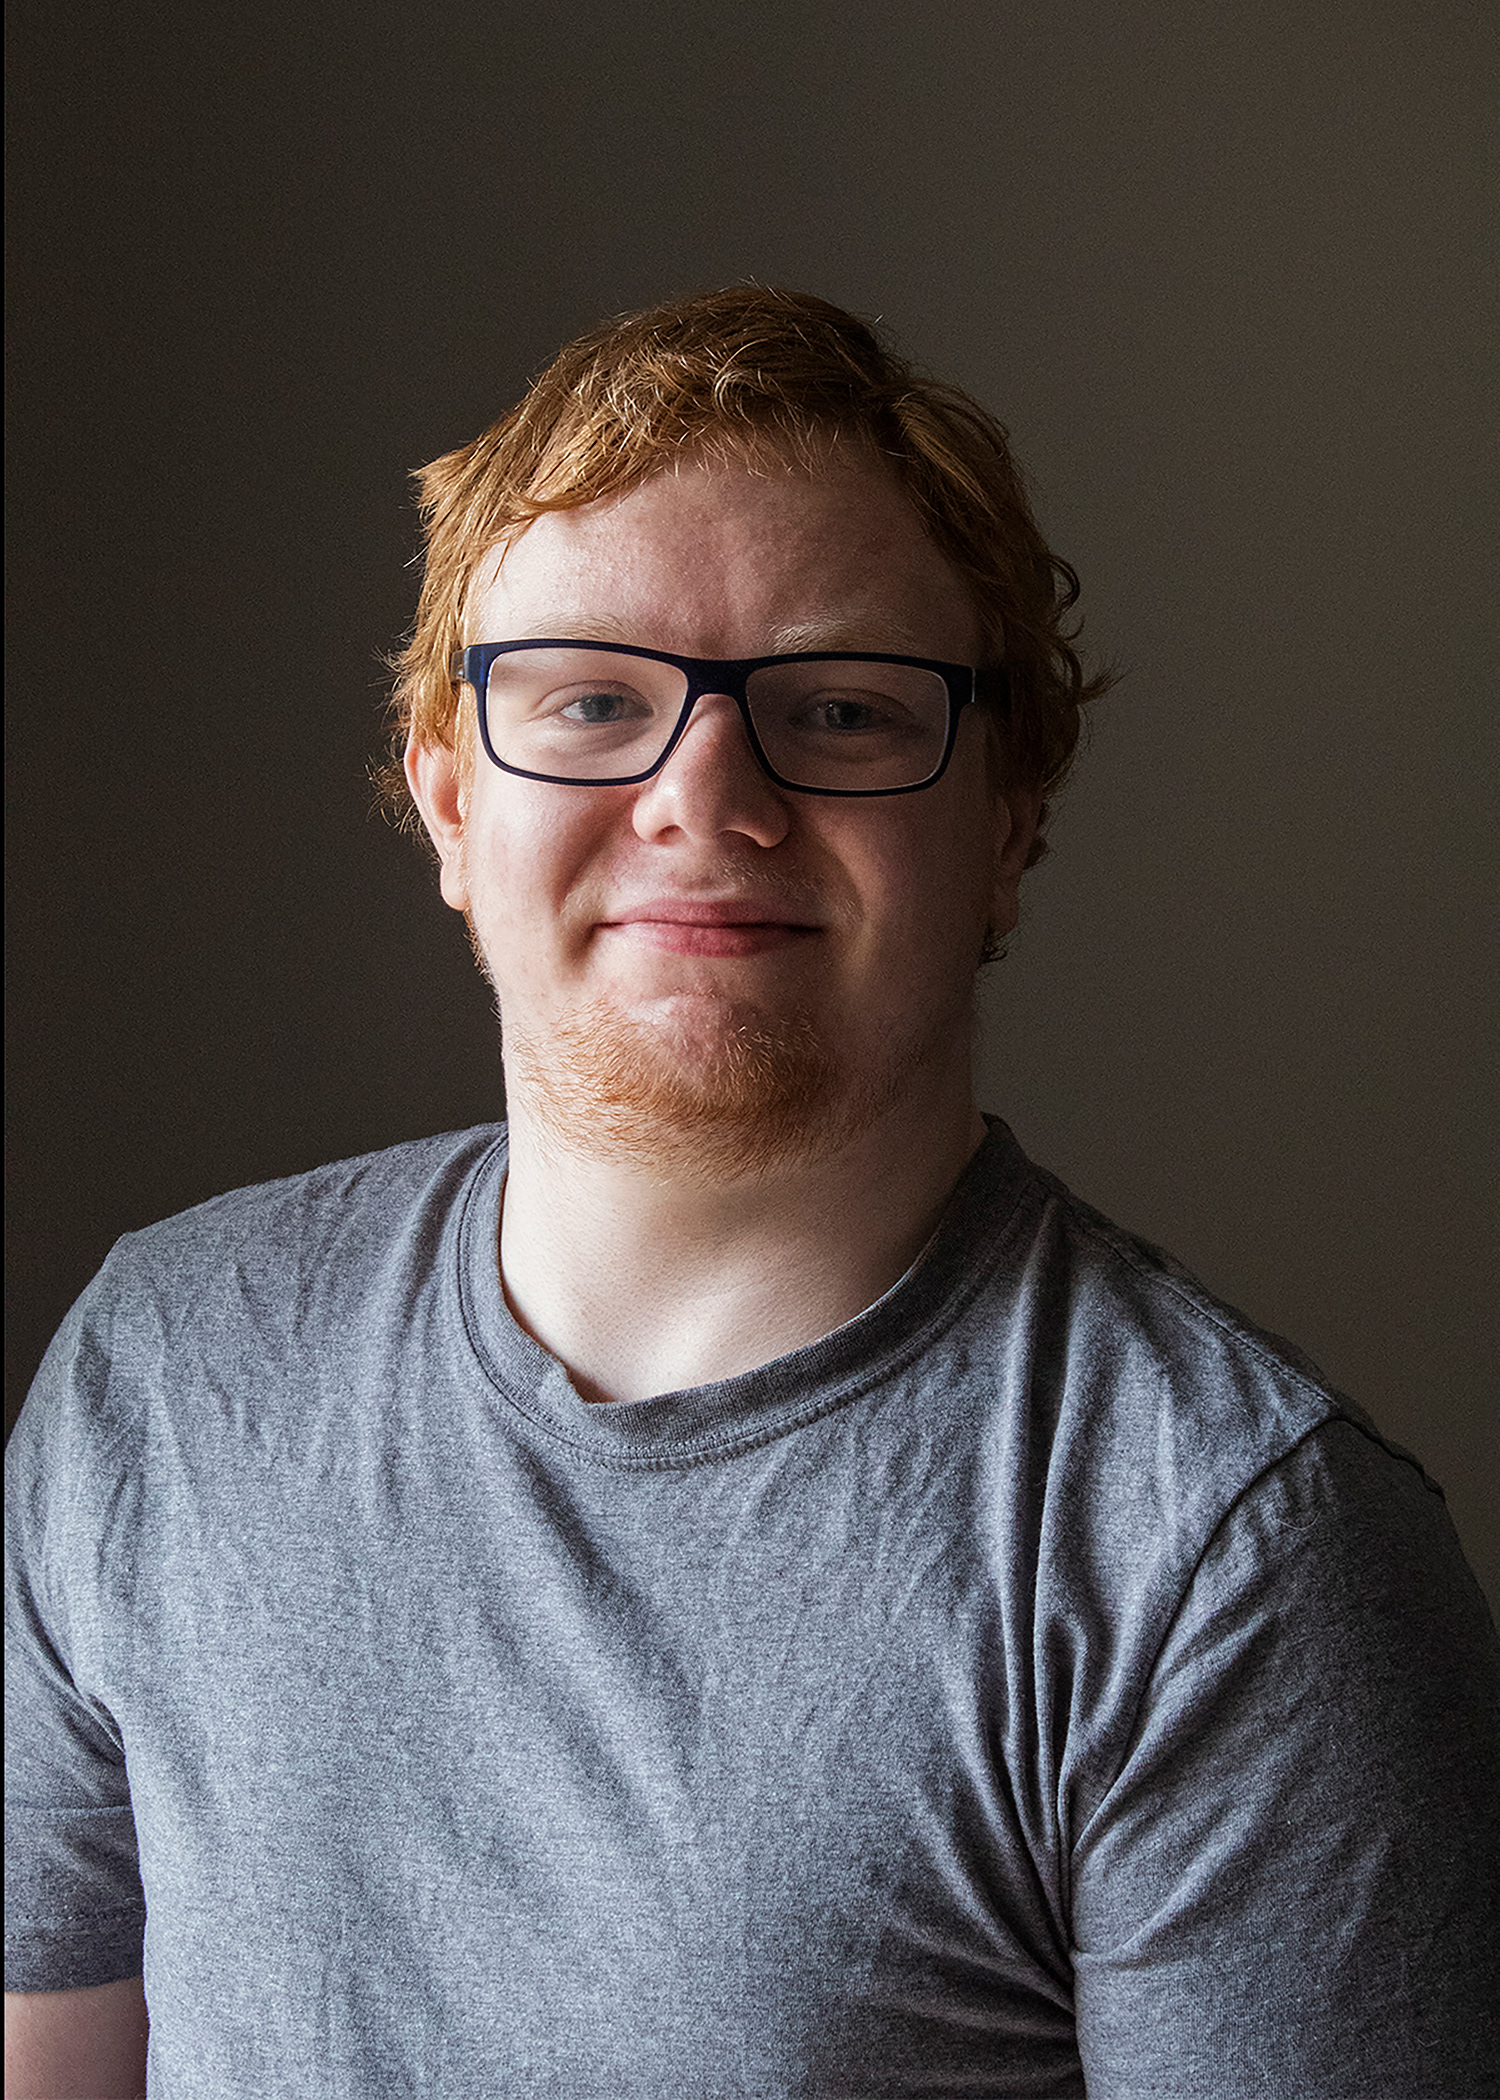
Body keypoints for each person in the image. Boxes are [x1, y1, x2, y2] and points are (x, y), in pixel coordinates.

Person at [6, 286, 1497, 2100]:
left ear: (1009, 821)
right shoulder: (169, 1367)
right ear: (450, 801)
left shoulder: (1228, 1556)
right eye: (591, 701)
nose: (704, 797)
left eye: (843, 710)